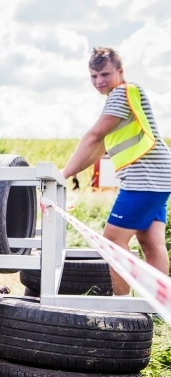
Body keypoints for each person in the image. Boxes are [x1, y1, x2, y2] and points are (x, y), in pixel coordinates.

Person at [61, 47, 171, 296]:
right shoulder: (123, 96)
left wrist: (64, 173)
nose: (99, 81)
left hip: (145, 179)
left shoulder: (122, 93)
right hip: (159, 178)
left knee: (112, 241)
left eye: (105, 74)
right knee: (151, 243)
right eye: (94, 76)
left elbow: (94, 136)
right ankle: (159, 305)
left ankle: (121, 304)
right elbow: (98, 148)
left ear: (120, 72)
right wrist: (70, 171)